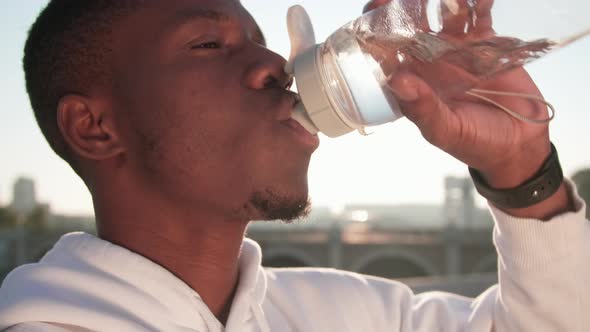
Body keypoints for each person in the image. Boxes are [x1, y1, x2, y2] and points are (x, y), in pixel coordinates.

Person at [0, 0, 588, 331]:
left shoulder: (345, 313)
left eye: (263, 42)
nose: (277, 66)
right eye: (208, 44)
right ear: (94, 127)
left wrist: (521, 167)